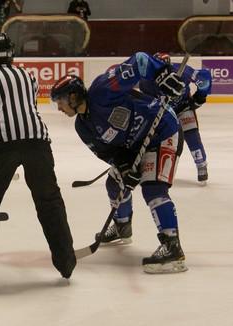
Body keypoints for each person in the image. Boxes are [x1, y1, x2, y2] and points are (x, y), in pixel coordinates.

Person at [50, 52, 188, 274]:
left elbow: (141, 60)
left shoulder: (103, 89)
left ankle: (173, 247)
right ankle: (123, 226)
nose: (59, 108)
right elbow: (108, 153)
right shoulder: (82, 127)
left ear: (74, 97)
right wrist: (124, 166)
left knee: (153, 189)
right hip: (135, 146)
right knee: (114, 183)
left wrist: (162, 74)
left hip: (163, 130)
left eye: (61, 102)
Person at [0, 33, 76, 279]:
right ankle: (66, 261)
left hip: (1, 144)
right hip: (37, 141)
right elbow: (28, 109)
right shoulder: (28, 76)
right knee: (49, 201)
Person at [139, 52, 212, 183]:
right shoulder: (145, 83)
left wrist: (200, 97)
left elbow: (204, 78)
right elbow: (146, 101)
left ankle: (201, 163)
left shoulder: (181, 71)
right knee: (153, 139)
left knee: (191, 134)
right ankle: (147, 165)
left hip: (183, 108)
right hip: (165, 113)